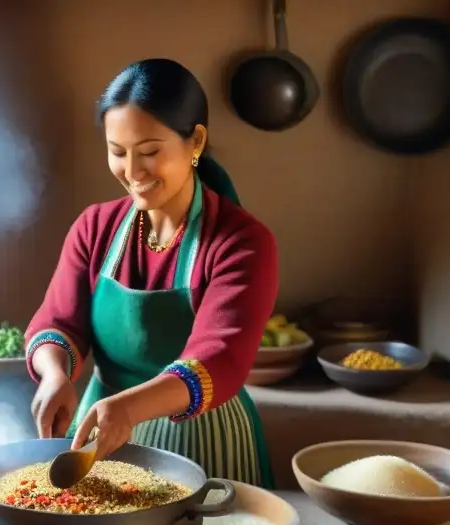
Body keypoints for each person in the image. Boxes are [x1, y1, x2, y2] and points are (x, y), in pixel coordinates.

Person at [25, 58, 279, 488]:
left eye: (149, 152)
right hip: (102, 431)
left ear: (195, 141)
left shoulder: (242, 242)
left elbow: (220, 358)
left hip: (203, 438)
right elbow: (58, 320)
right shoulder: (95, 227)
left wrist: (130, 408)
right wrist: (54, 374)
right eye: (117, 152)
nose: (132, 172)